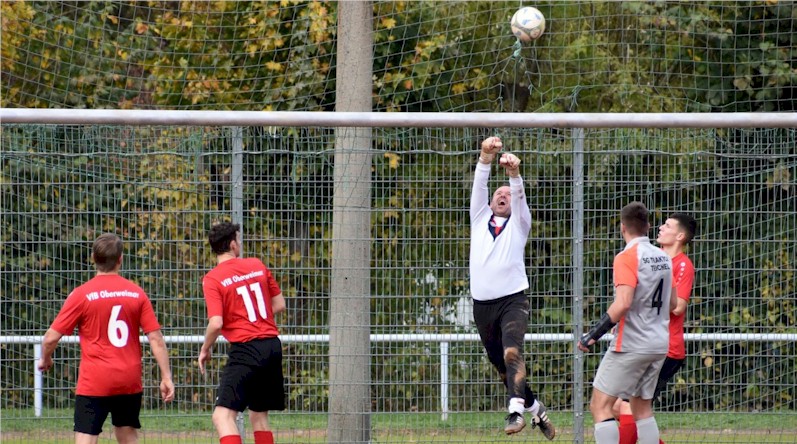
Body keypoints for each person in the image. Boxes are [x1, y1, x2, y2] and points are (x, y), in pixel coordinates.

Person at [37, 233, 175, 444]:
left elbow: (49, 339)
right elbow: (155, 338)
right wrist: (166, 377)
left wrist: (45, 358)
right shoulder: (137, 293)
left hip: (95, 380)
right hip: (128, 379)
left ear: (93, 258)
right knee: (127, 434)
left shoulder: (81, 294)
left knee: (86, 436)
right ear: (120, 259)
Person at [469, 136, 555, 439]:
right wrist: (485, 157)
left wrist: (514, 175)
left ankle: (516, 412)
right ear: (491, 202)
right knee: (504, 371)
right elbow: (479, 187)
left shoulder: (519, 224)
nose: (503, 195)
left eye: (508, 193)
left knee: (511, 353)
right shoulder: (479, 219)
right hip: (482, 306)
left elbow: (518, 196)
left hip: (512, 301)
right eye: (498, 193)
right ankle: (536, 410)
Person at [578, 202, 677, 444]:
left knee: (600, 406)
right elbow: (673, 303)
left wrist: (593, 334)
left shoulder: (627, 257)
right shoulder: (664, 257)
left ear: (623, 228)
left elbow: (623, 302)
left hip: (632, 344)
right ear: (648, 226)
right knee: (642, 408)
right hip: (658, 343)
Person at [198, 222, 286, 444]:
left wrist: (205, 348)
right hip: (271, 345)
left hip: (247, 349)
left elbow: (216, 323)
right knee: (259, 415)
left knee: (223, 416)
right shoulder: (256, 265)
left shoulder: (213, 279)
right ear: (232, 244)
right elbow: (279, 304)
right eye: (238, 239)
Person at [614, 213, 697, 444]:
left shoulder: (683, 265)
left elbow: (678, 306)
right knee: (615, 407)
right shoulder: (656, 259)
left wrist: (643, 302)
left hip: (666, 349)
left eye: (667, 225)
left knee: (628, 406)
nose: (660, 227)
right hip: (644, 343)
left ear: (680, 236)